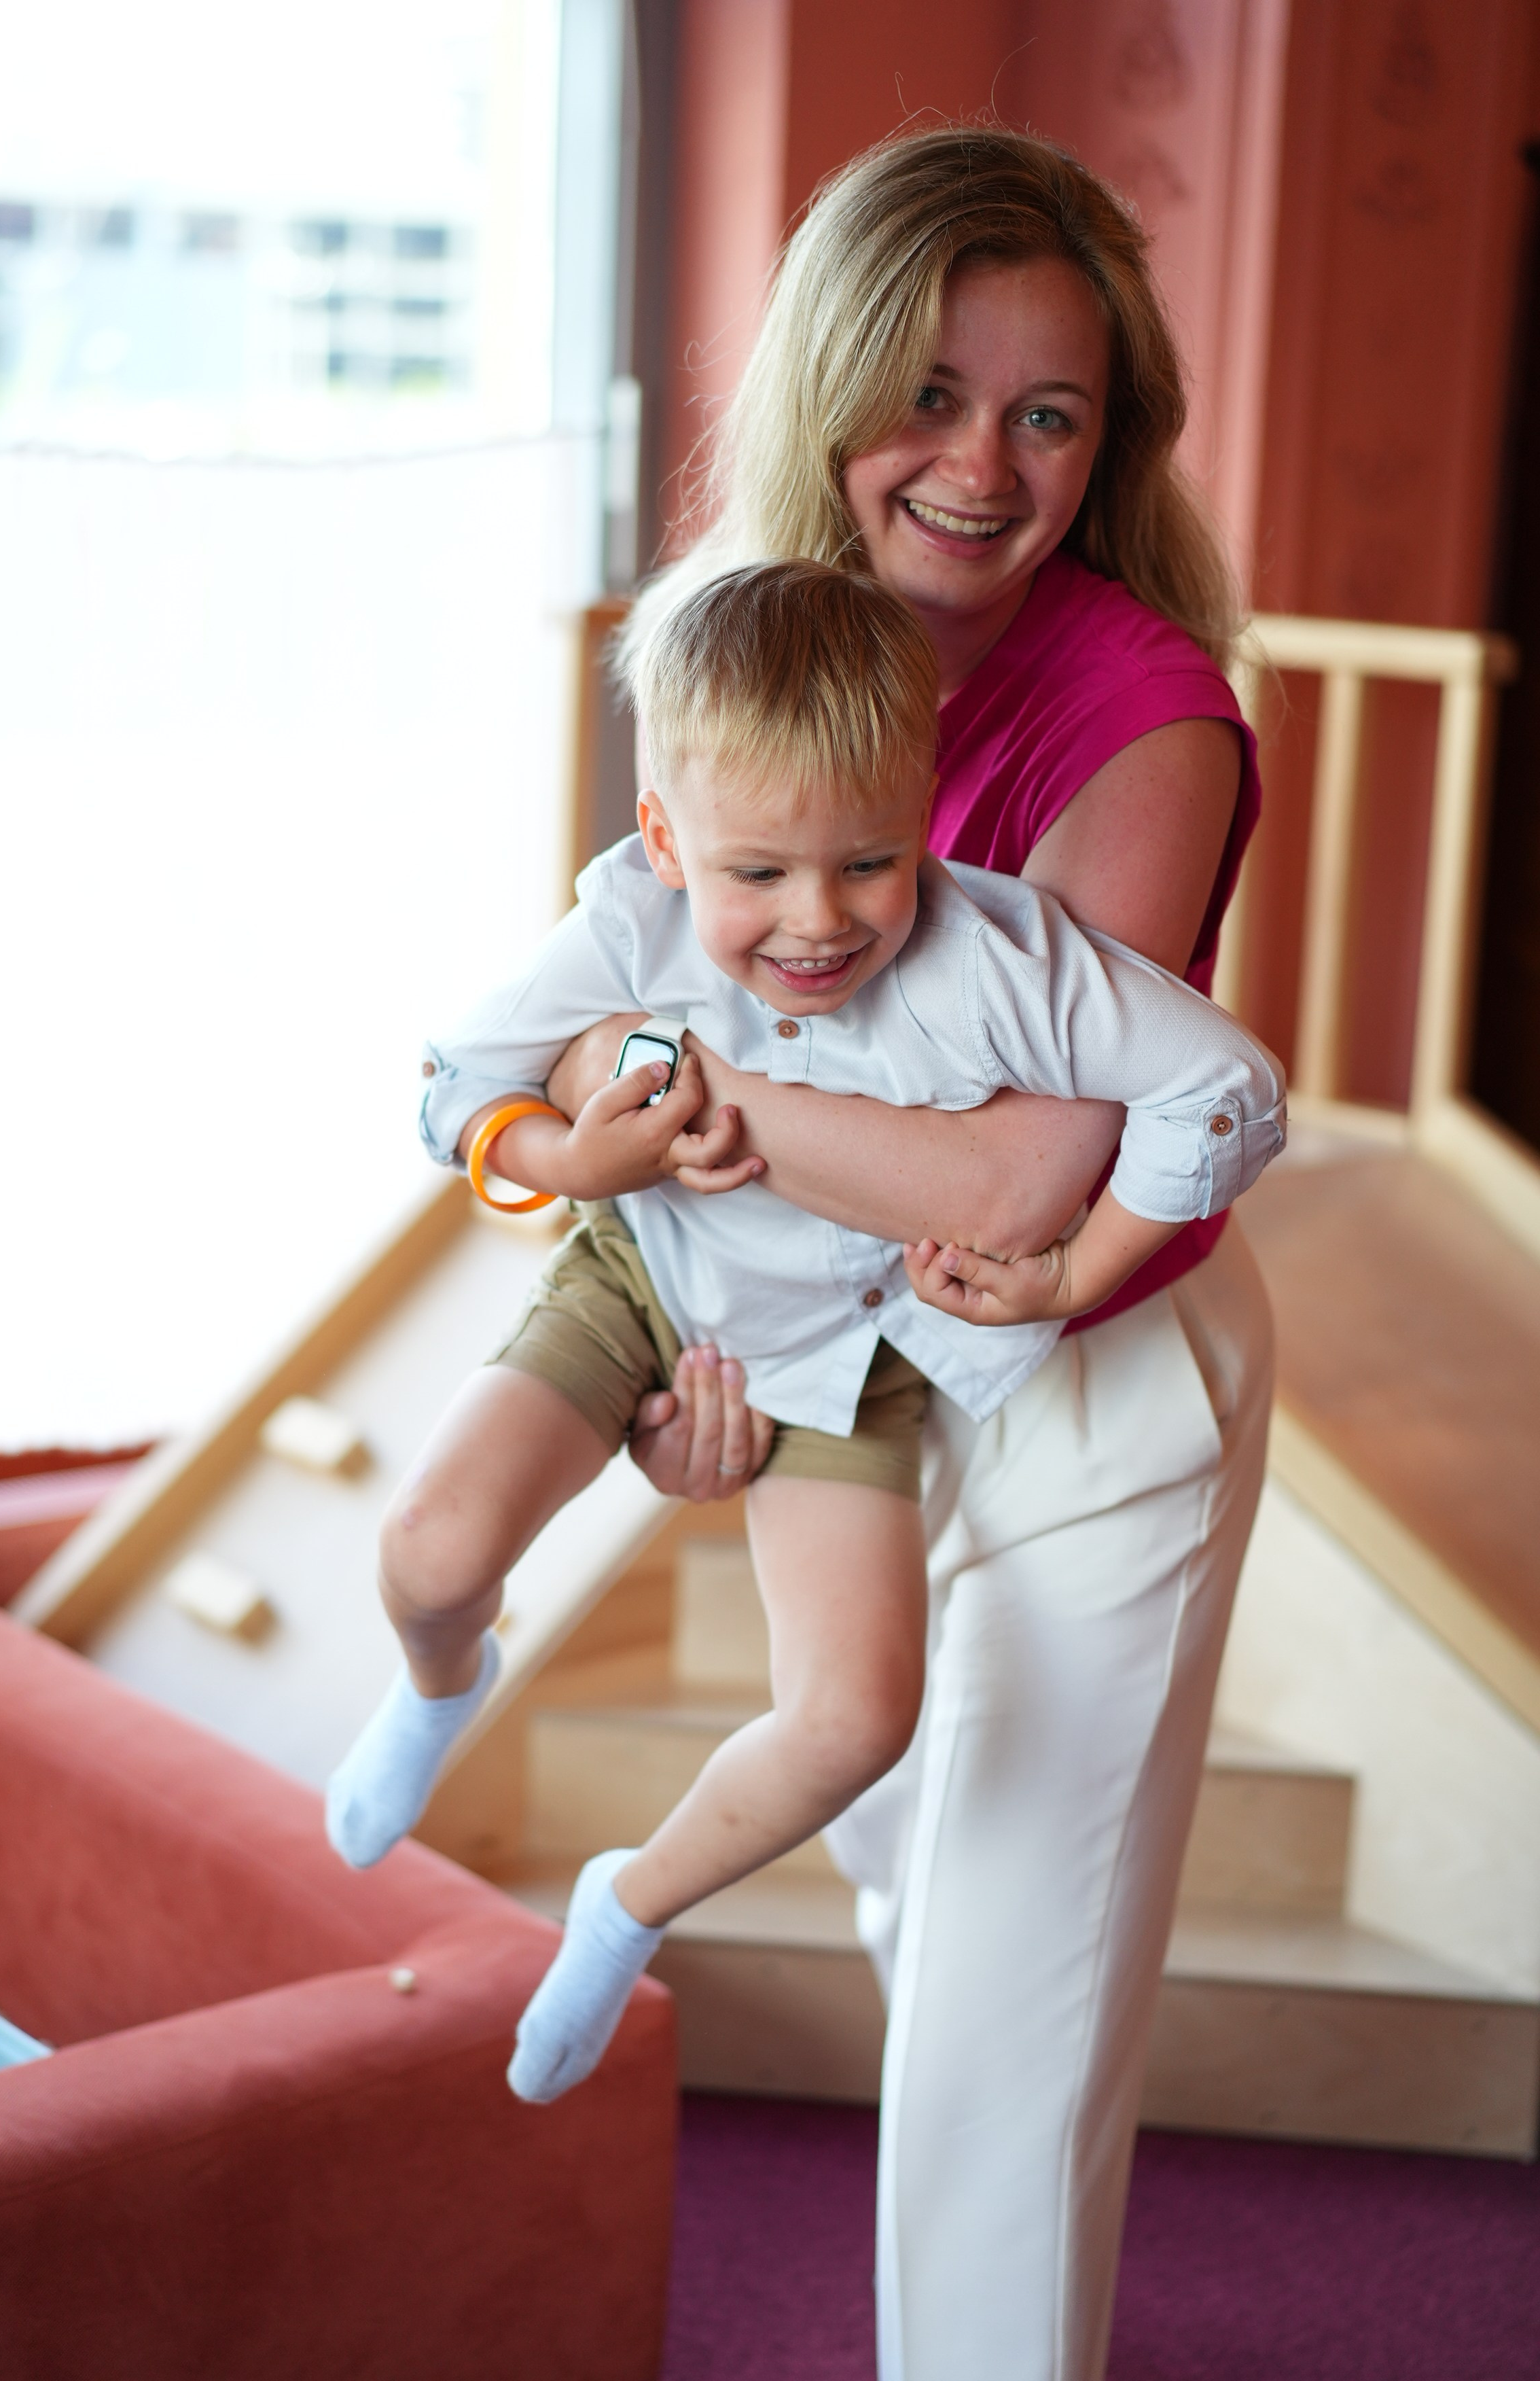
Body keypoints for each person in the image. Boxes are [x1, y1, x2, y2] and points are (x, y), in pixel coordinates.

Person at [541, 126, 1275, 2381]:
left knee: (996, 2020)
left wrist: (679, 1120)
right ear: (825, 387)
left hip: (1078, 1382)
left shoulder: (1140, 716)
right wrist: (687, 1356)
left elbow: (1003, 1188)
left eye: (1046, 414)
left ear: (1104, 444)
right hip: (846, 1366)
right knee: (875, 1848)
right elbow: (617, 990)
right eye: (930, 394)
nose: (981, 463)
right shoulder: (753, 646)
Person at [323, 559, 1283, 2115]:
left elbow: (1224, 1087)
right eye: (756, 875)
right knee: (430, 1550)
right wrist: (575, 1160)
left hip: (845, 1354)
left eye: (870, 862)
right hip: (637, 1279)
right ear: (663, 843)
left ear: (924, 810)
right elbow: (447, 1085)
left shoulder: (1003, 961)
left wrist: (1073, 1268)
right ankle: (441, 1684)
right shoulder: (627, 924)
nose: (819, 923)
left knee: (857, 1718)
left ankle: (625, 1905)